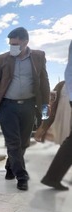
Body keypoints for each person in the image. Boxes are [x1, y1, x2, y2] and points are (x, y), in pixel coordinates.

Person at [0, 27, 50, 191]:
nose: (11, 47)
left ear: (25, 42)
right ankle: (22, 176)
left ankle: (10, 166)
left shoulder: (38, 56)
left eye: (15, 44)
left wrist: (45, 104)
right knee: (13, 142)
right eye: (10, 44)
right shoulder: (3, 59)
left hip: (28, 105)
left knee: (24, 143)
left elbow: (44, 81)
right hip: (7, 106)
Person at [40, 40, 72, 191]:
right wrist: (43, 124)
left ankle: (52, 177)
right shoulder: (61, 87)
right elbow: (49, 105)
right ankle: (52, 177)